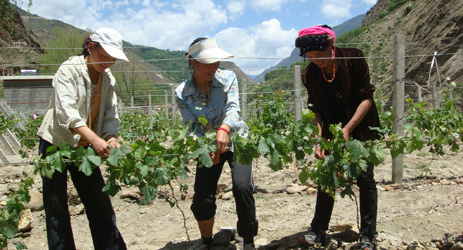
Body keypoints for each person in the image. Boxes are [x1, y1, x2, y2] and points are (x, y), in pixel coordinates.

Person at [37, 27, 128, 250]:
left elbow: (109, 114)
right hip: (55, 144)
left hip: (86, 147)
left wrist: (111, 137)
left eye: (112, 59)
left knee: (99, 203)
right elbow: (66, 112)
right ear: (90, 47)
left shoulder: (108, 79)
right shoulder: (68, 69)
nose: (108, 62)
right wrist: (95, 139)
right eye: (103, 56)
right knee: (56, 206)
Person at [295, 25, 381, 250]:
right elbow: (315, 110)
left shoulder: (354, 58)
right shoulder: (311, 74)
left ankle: (368, 236)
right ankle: (318, 230)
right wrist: (318, 138)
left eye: (320, 55)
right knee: (327, 178)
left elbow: (366, 98)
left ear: (331, 46)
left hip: (361, 126)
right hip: (332, 130)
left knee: (365, 179)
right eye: (310, 57)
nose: (316, 60)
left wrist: (349, 128)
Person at [175, 38, 258, 250]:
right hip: (209, 146)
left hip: (237, 139)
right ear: (193, 63)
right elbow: (191, 126)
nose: (215, 66)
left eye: (217, 61)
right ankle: (207, 241)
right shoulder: (182, 93)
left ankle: (247, 239)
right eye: (208, 62)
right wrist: (204, 147)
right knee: (203, 195)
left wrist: (224, 128)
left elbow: (233, 108)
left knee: (242, 187)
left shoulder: (228, 78)